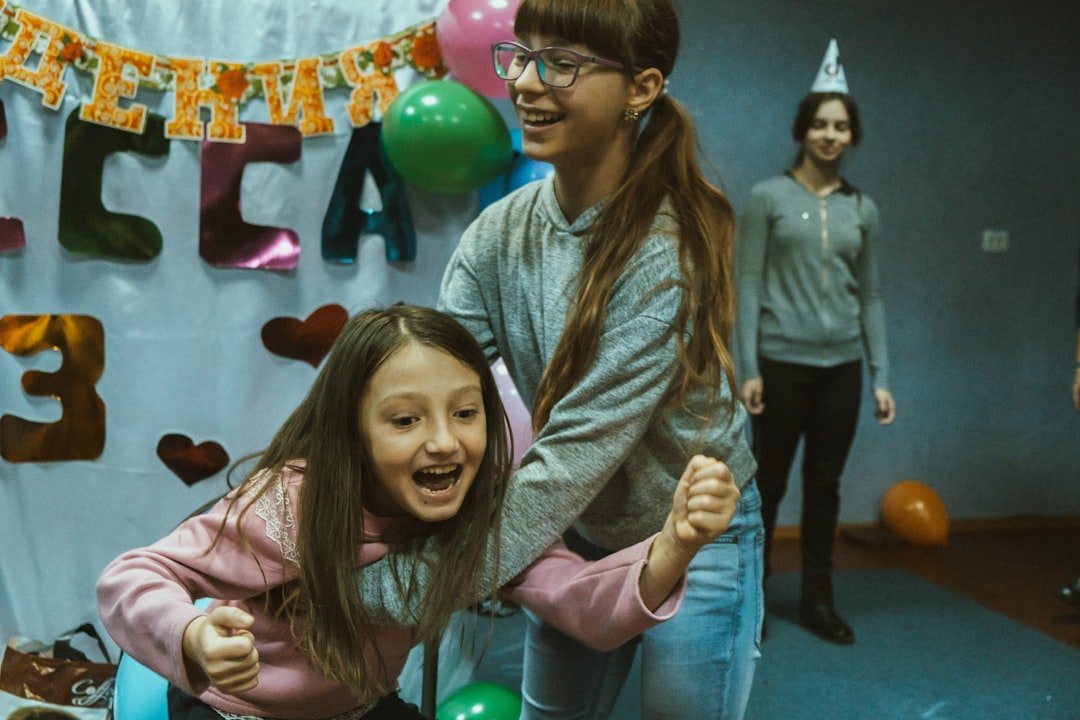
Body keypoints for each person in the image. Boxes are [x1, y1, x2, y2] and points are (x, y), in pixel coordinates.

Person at [357, 2, 764, 719]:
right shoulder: (497, 236)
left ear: (640, 89)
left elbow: (574, 455)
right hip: (575, 534)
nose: (526, 82)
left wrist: (414, 587)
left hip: (699, 538)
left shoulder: (664, 253)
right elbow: (419, 385)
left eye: (564, 63)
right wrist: (310, 522)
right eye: (521, 54)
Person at [97, 305, 743, 720]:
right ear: (351, 433)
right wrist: (193, 637)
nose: (442, 440)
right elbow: (131, 577)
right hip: (241, 712)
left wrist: (672, 547)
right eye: (406, 420)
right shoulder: (291, 505)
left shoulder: (480, 515)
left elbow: (576, 598)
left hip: (361, 707)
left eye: (466, 413)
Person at [735, 40, 895, 646]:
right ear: (803, 130)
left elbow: (871, 297)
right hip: (780, 364)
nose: (831, 135)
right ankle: (752, 600)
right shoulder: (767, 198)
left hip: (842, 369)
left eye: (842, 126)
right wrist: (748, 365)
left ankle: (818, 602)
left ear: (852, 136)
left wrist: (881, 375)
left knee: (824, 487)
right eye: (821, 124)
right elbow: (747, 284)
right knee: (768, 485)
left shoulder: (864, 210)